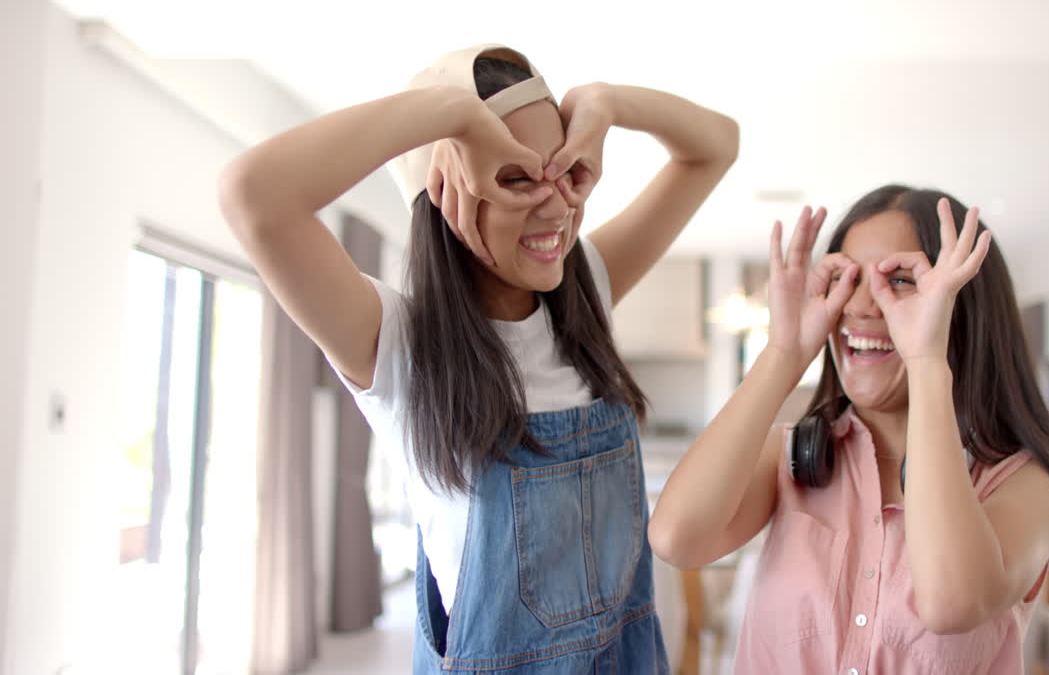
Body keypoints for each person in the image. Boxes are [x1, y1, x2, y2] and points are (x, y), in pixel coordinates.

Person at [219, 43, 738, 673]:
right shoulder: (397, 346)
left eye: (565, 171)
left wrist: (605, 101)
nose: (558, 206)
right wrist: (447, 116)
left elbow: (718, 144)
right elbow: (253, 195)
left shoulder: (587, 290)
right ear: (445, 192)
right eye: (516, 177)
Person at [649, 185, 1049, 674]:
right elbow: (676, 539)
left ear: (960, 307)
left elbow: (952, 603)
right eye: (846, 279)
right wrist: (783, 354)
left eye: (899, 280)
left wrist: (926, 361)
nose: (859, 306)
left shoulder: (1027, 482)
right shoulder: (790, 455)